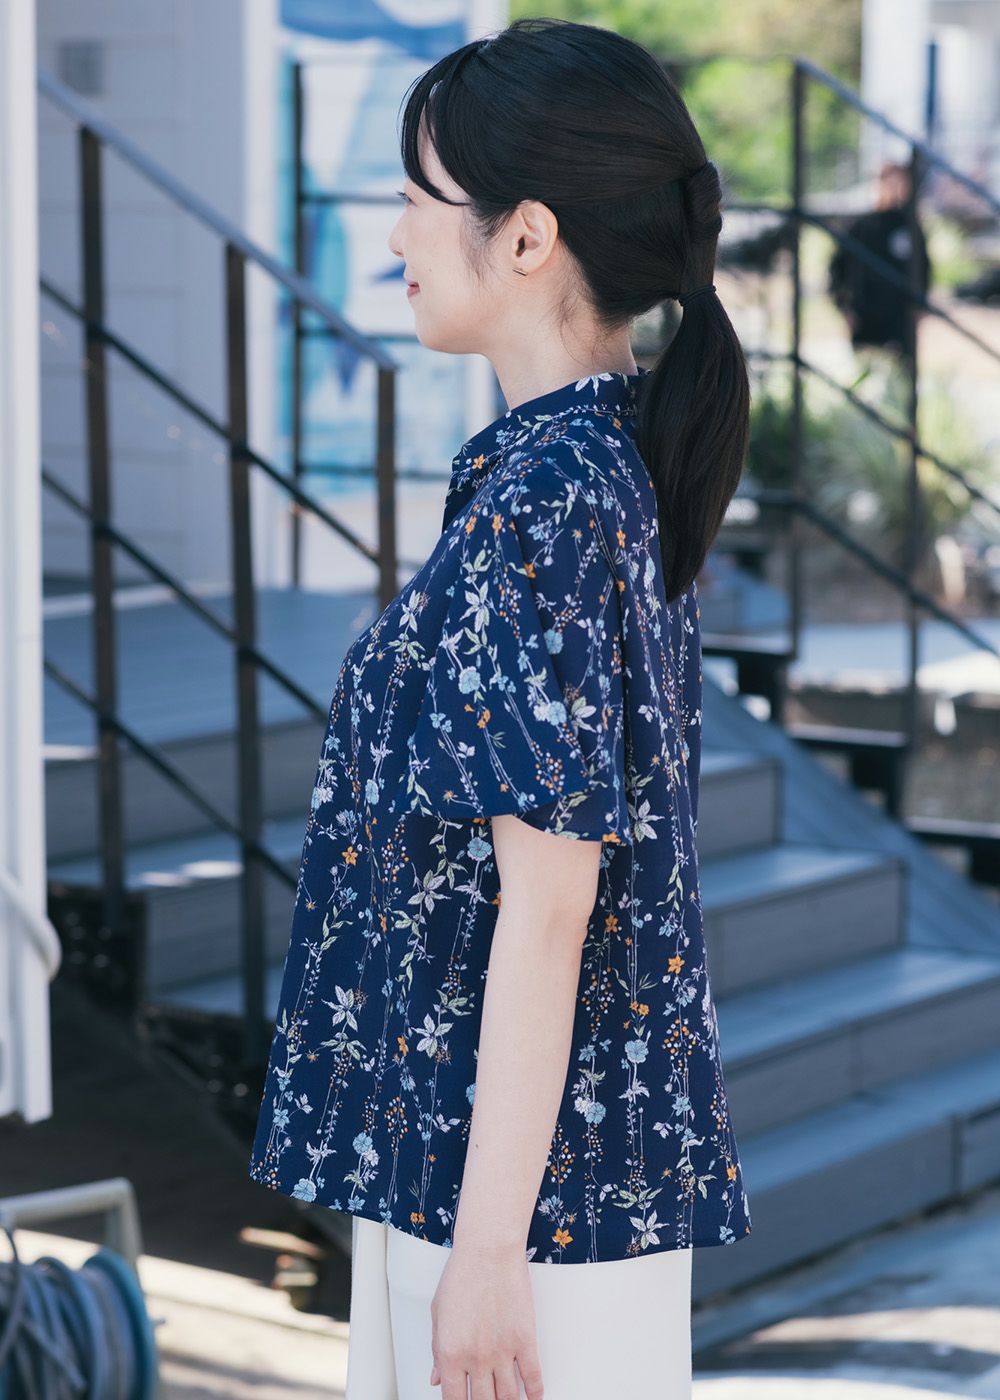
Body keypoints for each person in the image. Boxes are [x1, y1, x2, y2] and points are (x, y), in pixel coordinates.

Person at [248, 17, 753, 1398]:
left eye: (418, 197)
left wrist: (482, 1257)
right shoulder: (598, 465)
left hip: (512, 1207)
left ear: (527, 236)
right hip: (516, 1177)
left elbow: (550, 900)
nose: (394, 234)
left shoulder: (550, 500)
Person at [828, 160, 931, 359]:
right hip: (866, 321)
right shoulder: (862, 225)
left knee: (899, 372)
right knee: (866, 369)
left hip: (900, 323)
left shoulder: (911, 227)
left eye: (899, 183)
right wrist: (843, 308)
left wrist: (920, 309)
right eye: (888, 182)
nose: (893, 188)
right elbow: (837, 267)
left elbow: (924, 269)